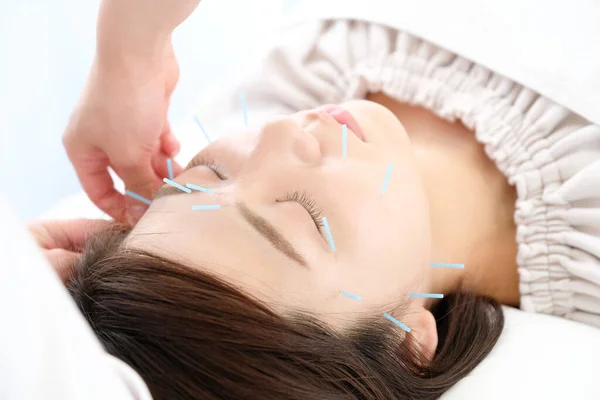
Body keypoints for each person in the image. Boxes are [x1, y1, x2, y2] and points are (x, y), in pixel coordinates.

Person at [48, 0, 600, 399]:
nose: (276, 139)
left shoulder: (293, 81)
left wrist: (129, 48)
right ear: (408, 340)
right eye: (303, 216)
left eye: (207, 173)